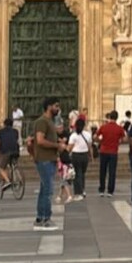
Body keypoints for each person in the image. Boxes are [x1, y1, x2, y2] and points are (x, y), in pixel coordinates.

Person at [32, 96, 61, 231]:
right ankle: (45, 219)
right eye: (56, 106)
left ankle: (40, 218)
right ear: (49, 107)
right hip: (44, 160)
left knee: (44, 189)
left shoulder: (49, 122)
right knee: (48, 190)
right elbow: (40, 140)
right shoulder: (42, 121)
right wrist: (57, 145)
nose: (58, 109)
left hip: (49, 159)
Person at [95, 111, 126, 196]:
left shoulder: (103, 127)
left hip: (103, 150)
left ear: (109, 117)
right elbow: (124, 139)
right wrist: (118, 142)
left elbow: (95, 136)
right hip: (113, 152)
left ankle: (101, 189)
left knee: (102, 171)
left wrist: (101, 141)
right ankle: (110, 191)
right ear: (117, 117)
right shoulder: (119, 128)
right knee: (112, 172)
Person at [67, 115, 92, 198]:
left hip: (76, 155)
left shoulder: (73, 136)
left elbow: (69, 147)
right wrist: (91, 156)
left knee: (77, 173)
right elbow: (89, 146)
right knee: (82, 173)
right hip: (84, 155)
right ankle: (82, 189)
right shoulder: (88, 135)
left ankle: (78, 191)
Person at [0, 112, 20, 192]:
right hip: (16, 151)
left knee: (1, 167)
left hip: (6, 151)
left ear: (4, 124)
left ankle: (8, 181)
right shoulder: (15, 131)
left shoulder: (1, 131)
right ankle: (18, 177)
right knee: (13, 164)